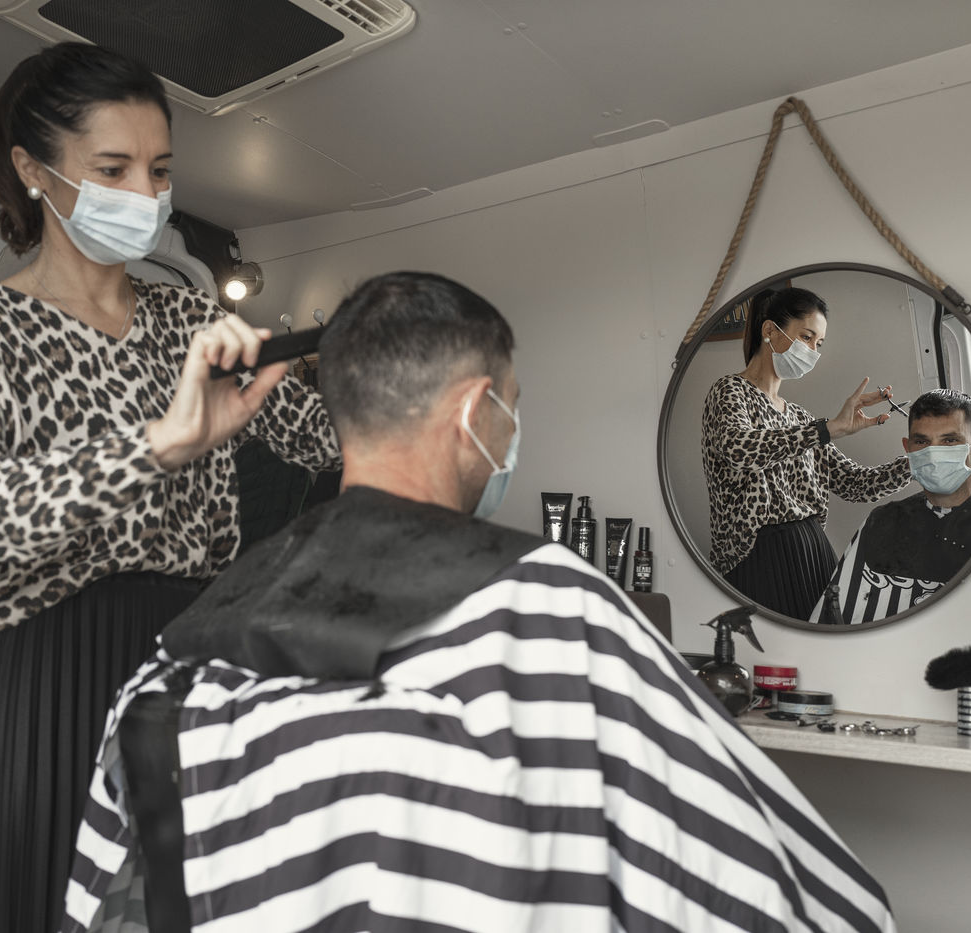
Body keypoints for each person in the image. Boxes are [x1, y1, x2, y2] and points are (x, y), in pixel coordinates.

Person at [60, 271, 896, 933]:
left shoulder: (180, 654)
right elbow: (810, 903)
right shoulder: (552, 616)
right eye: (512, 409)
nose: (512, 434)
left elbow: (103, 898)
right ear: (474, 412)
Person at [0, 43, 340, 933]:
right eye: (113, 169)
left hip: (176, 670)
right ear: (33, 170)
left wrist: (358, 355)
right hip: (30, 681)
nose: (144, 194)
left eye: (159, 171)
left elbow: (320, 440)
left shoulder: (192, 319)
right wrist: (157, 446)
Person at [701, 286, 912, 619]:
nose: (813, 351)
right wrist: (827, 429)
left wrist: (918, 462)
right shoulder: (730, 392)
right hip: (758, 559)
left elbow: (856, 484)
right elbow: (740, 450)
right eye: (806, 337)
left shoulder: (800, 418)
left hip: (814, 556)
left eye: (819, 343)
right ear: (770, 330)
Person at [810, 388, 971, 624]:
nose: (933, 454)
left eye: (950, 441)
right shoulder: (883, 522)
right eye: (922, 442)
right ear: (908, 449)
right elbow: (832, 623)